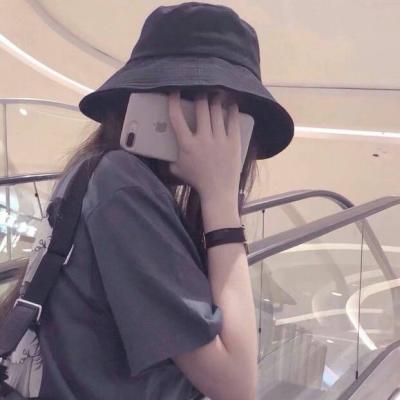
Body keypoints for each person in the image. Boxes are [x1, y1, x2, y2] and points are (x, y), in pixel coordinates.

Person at [1, 2, 294, 399]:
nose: (227, 133)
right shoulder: (124, 188)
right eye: (217, 108)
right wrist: (222, 200)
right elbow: (236, 385)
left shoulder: (97, 170)